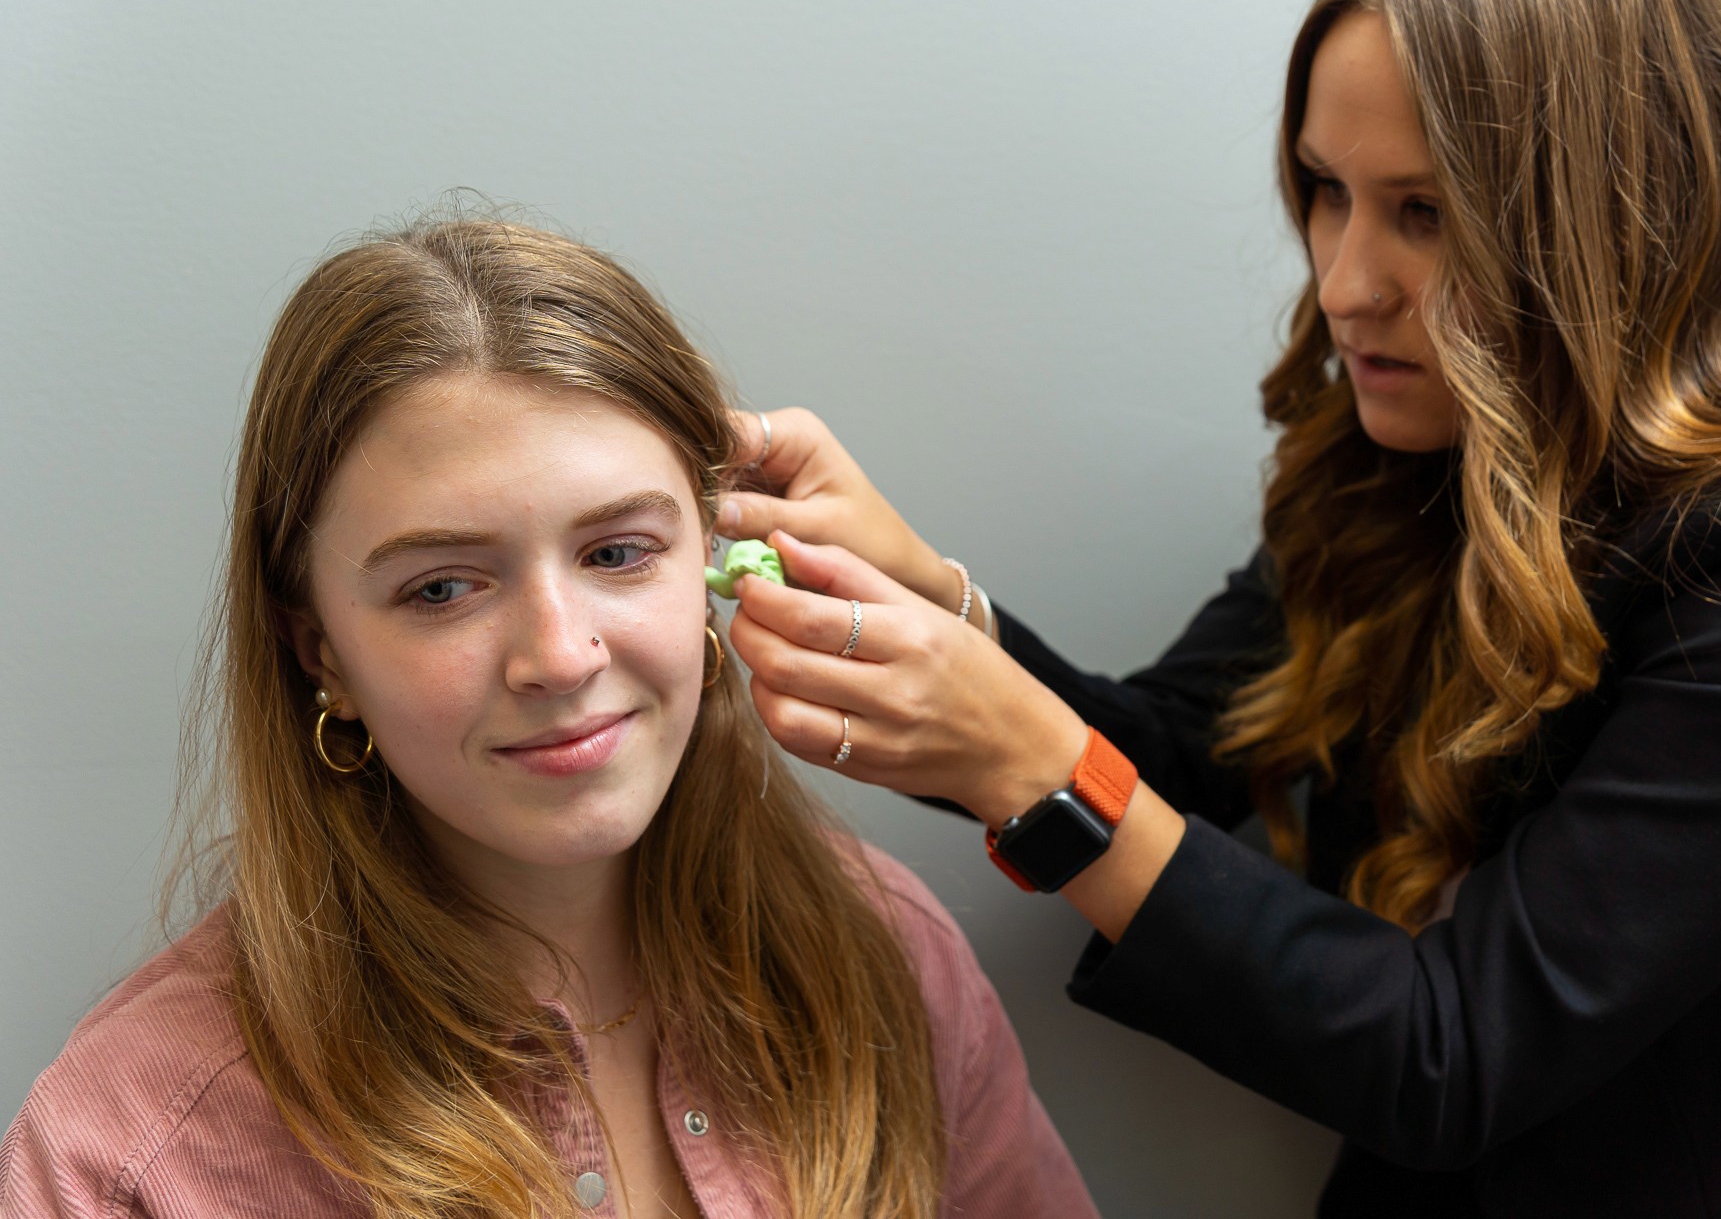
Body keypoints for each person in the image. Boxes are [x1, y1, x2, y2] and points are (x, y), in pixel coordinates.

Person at [711, 0, 1721, 1214]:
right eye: (1324, 189)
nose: (1343, 286)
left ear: (1624, 211)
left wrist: (1034, 772)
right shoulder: (1405, 452)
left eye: (1425, 212)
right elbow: (1178, 753)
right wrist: (925, 593)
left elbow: (1456, 1051)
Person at [0, 219, 1097, 1219]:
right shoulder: (128, 1162)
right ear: (320, 651)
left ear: (711, 570)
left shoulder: (889, 953)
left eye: (619, 552)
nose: (561, 655)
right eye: (442, 587)